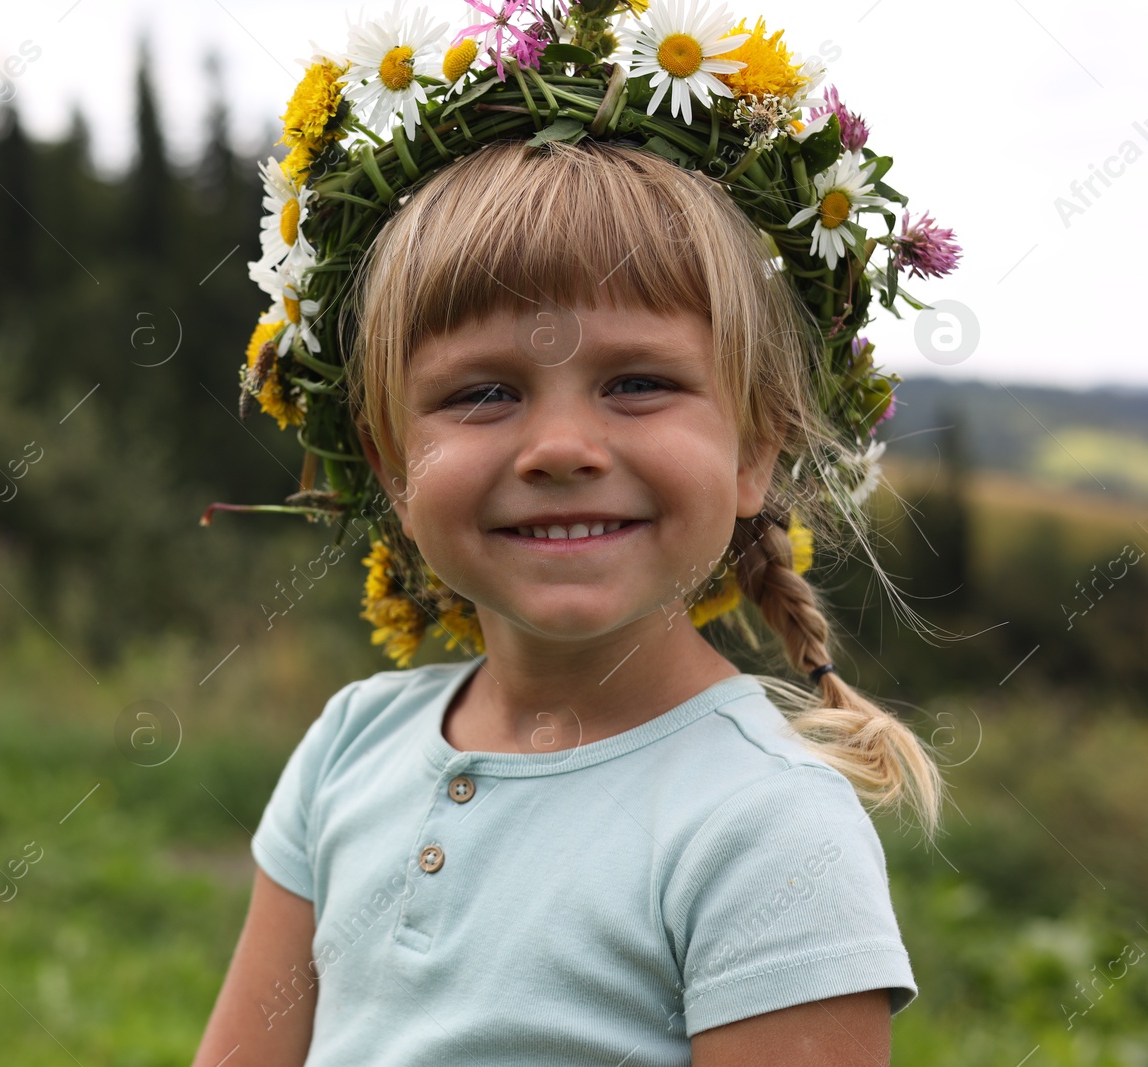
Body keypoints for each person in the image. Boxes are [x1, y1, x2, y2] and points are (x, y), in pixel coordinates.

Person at [195, 4, 960, 1063]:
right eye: (482, 392)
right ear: (388, 462)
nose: (560, 445)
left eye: (637, 382)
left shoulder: (764, 827)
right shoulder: (348, 748)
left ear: (754, 449)